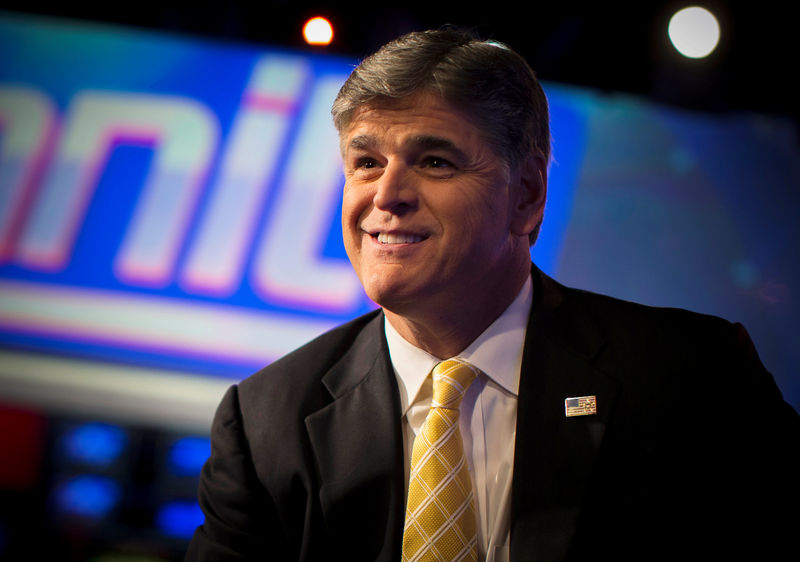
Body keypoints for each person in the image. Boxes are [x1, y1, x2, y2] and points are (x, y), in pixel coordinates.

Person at [185, 28, 799, 561]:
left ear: (527, 194)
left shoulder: (690, 374)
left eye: (435, 162)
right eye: (366, 162)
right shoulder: (266, 421)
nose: (386, 195)